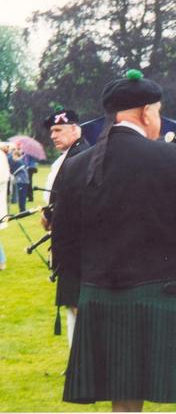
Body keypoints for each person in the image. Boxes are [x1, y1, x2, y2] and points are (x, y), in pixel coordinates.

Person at [52, 69, 176, 412]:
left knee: (125, 396)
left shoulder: (78, 166)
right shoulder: (175, 157)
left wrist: (92, 283)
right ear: (146, 112)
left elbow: (64, 243)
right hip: (169, 296)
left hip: (104, 298)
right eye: (158, 112)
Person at [40, 106, 90, 346]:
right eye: (51, 131)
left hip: (77, 246)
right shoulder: (68, 157)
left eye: (58, 129)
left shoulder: (82, 156)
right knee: (74, 306)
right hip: (69, 245)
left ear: (75, 129)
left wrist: (51, 215)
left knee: (79, 306)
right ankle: (77, 363)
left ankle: (81, 364)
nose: (53, 135)